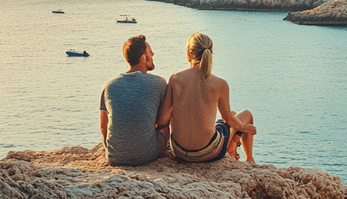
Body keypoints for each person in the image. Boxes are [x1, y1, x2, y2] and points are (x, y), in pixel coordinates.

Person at [157, 33, 257, 163]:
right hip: (208, 152)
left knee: (230, 117)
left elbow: (162, 120)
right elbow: (228, 119)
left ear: (188, 53)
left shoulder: (175, 79)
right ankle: (249, 159)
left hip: (179, 152)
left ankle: (233, 145)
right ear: (211, 52)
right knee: (245, 115)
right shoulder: (220, 84)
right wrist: (243, 128)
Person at [99, 35, 169, 166]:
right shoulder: (159, 83)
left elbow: (103, 127)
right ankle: (166, 147)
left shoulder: (109, 86)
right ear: (143, 58)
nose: (153, 55)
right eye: (150, 53)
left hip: (115, 156)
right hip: (147, 155)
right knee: (165, 120)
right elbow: (163, 121)